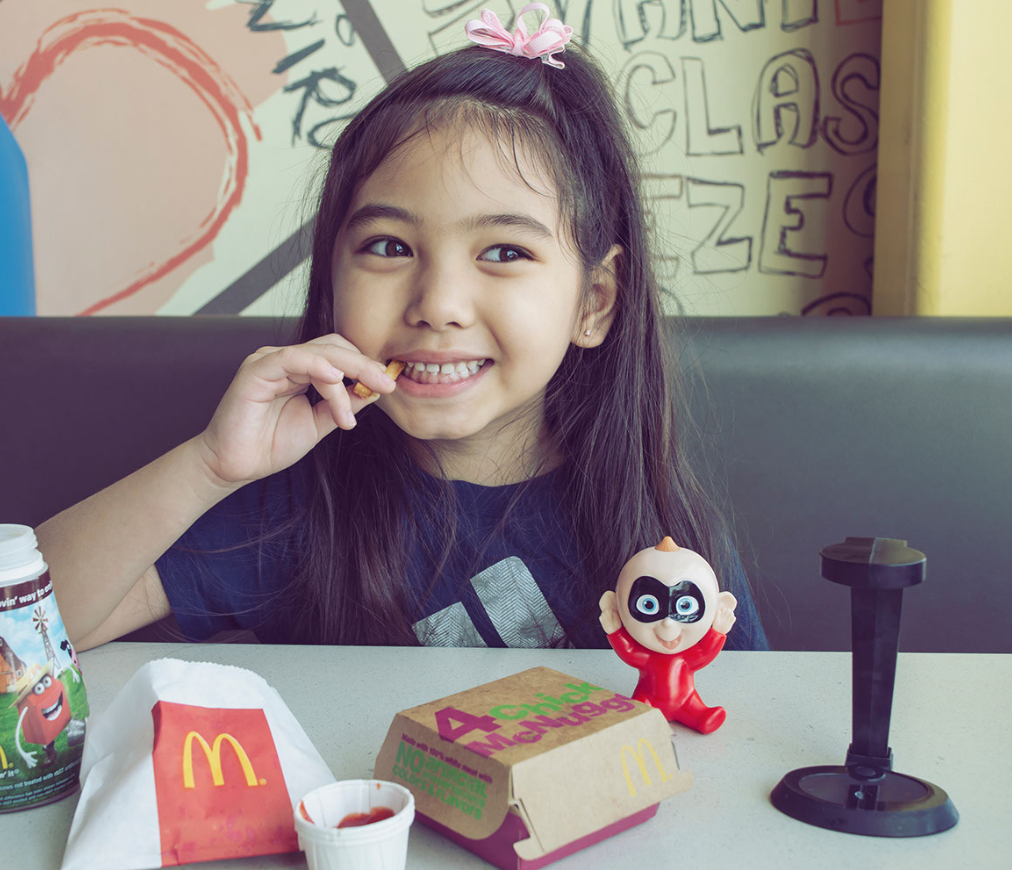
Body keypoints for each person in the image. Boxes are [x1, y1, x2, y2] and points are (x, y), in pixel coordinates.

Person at [38, 5, 768, 653]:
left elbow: (734, 723)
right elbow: (15, 633)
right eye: (389, 246)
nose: (438, 304)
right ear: (331, 280)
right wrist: (210, 467)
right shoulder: (299, 506)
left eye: (504, 252)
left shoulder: (658, 530)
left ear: (594, 302)